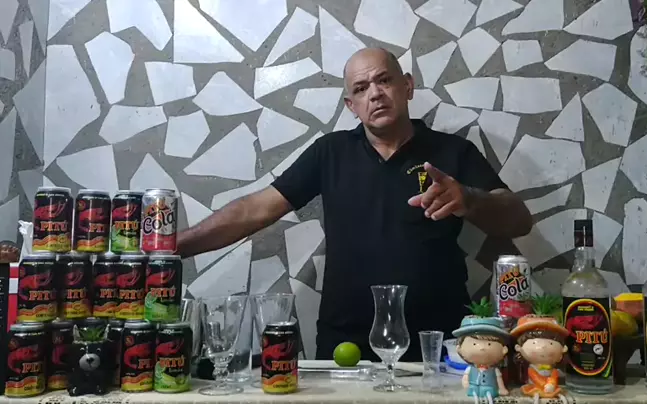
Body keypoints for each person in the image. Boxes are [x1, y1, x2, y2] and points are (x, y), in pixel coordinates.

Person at [177, 47, 532, 361]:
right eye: (361, 89)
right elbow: (256, 209)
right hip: (345, 345)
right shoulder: (330, 153)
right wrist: (171, 247)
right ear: (351, 105)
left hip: (439, 343)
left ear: (407, 86)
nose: (375, 93)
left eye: (384, 80)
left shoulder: (453, 152)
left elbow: (519, 220)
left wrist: (468, 199)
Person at [511, 315, 569, 404]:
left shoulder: (553, 369)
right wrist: (544, 385)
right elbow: (534, 377)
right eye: (534, 343)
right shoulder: (532, 369)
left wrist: (551, 384)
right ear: (519, 348)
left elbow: (554, 376)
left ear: (563, 349)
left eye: (550, 343)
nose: (543, 347)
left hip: (551, 387)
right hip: (535, 387)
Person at [454, 316, 510, 404]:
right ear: (459, 349)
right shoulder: (470, 369)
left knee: (489, 397)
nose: (482, 348)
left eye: (489, 344)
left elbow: (499, 380)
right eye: (474, 344)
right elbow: (465, 377)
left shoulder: (495, 370)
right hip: (473, 387)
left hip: (490, 388)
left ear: (504, 350)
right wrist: (466, 383)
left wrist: (501, 389)